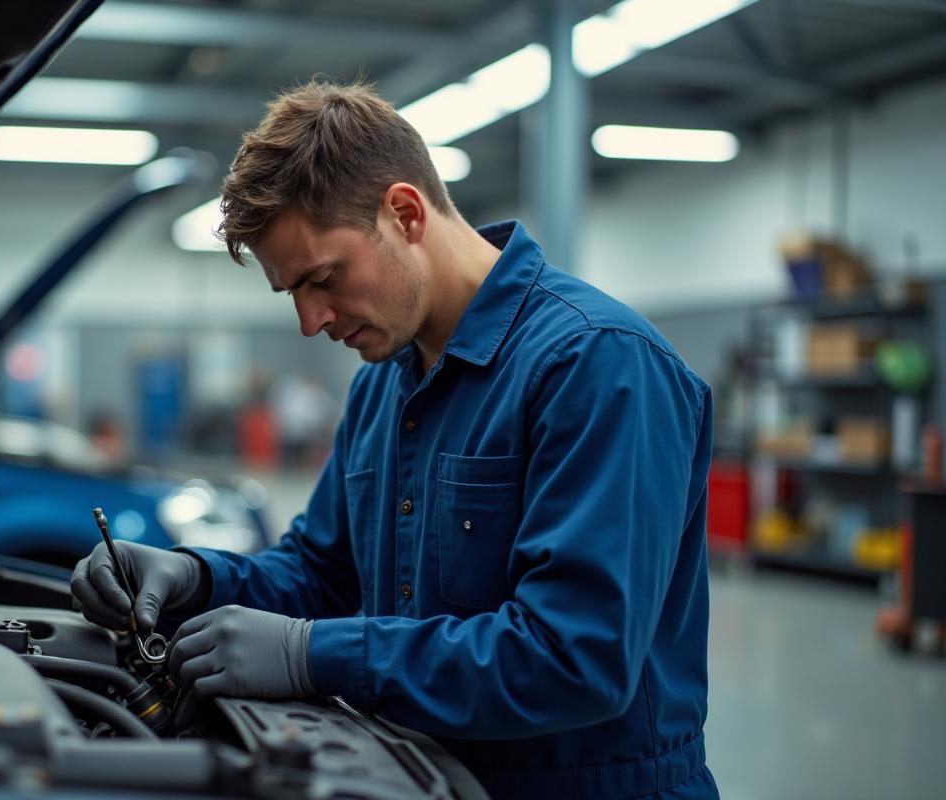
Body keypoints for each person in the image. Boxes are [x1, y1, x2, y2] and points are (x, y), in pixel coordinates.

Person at [71, 80, 718, 799]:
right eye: (293, 294)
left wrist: (316, 655)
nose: (311, 322)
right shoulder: (384, 383)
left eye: (323, 279)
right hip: (423, 773)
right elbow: (324, 575)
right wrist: (196, 576)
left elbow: (575, 658)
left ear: (405, 212)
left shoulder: (599, 365)